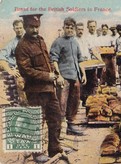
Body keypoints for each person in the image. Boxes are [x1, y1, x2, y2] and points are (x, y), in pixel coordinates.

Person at [15, 14, 63, 162]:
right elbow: (26, 71)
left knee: (56, 118)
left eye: (37, 27)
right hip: (35, 91)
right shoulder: (22, 47)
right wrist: (47, 76)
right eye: (31, 27)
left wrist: (56, 75)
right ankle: (37, 154)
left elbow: (48, 60)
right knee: (36, 121)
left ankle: (54, 148)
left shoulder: (40, 40)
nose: (35, 30)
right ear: (25, 27)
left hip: (49, 89)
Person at [50, 17, 87, 136]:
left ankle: (70, 126)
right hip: (64, 77)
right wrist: (58, 75)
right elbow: (53, 60)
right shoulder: (58, 42)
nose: (69, 29)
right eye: (67, 27)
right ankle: (58, 131)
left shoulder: (75, 41)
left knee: (74, 101)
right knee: (61, 103)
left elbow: (80, 59)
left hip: (75, 76)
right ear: (64, 27)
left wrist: (83, 73)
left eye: (72, 28)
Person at [0, 19, 27, 105]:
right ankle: (23, 106)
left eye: (20, 28)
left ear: (24, 28)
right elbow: (2, 57)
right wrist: (10, 70)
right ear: (14, 29)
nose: (19, 30)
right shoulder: (11, 44)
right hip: (19, 71)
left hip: (31, 70)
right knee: (21, 85)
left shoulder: (30, 41)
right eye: (17, 28)